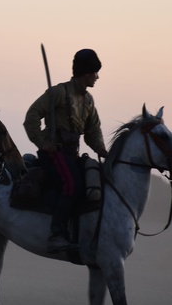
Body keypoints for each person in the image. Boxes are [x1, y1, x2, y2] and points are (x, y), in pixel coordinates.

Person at [23, 48, 109, 253]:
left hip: (70, 155)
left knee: (91, 182)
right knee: (72, 184)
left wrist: (102, 150)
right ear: (87, 73)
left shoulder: (88, 101)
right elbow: (32, 116)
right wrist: (43, 142)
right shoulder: (58, 93)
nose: (97, 77)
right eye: (95, 72)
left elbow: (93, 131)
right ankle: (56, 235)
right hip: (53, 152)